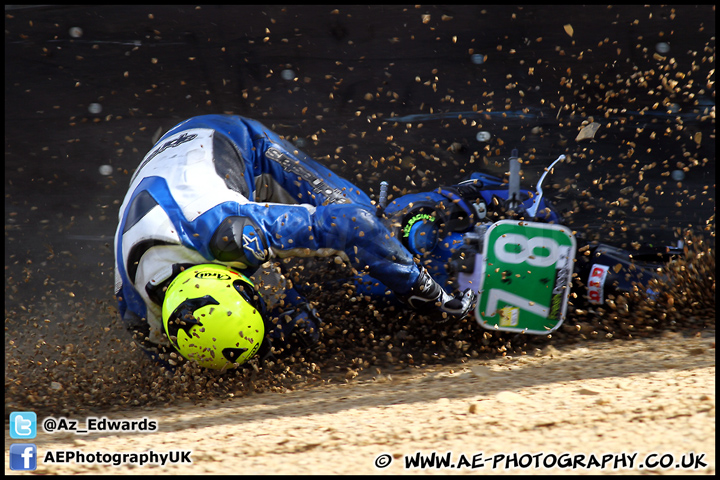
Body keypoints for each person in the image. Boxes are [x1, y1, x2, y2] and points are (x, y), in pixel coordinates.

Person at [114, 114, 477, 369]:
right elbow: (183, 371)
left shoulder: (233, 234)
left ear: (233, 272)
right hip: (169, 185)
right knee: (298, 327)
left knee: (362, 216)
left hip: (229, 142)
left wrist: (423, 290)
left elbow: (355, 226)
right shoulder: (138, 317)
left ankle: (460, 204)